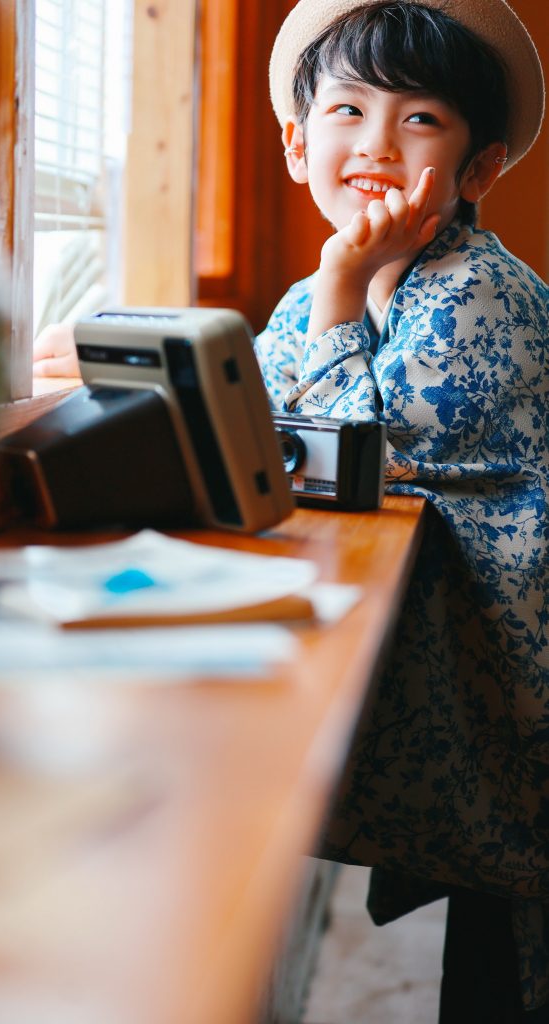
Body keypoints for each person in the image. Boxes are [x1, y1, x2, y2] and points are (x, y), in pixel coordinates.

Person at [259, 1, 548, 1020]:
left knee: (509, 974)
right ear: (298, 146)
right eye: (345, 108)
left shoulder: (477, 292)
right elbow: (254, 415)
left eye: (419, 119)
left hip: (519, 707)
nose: (375, 144)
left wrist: (340, 283)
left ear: (476, 170)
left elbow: (348, 469)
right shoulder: (311, 298)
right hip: (464, 688)